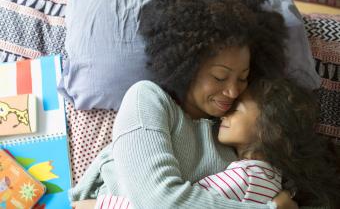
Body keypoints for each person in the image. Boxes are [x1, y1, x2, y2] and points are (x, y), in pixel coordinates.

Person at [70, 0, 299, 208]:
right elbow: (157, 200)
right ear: (188, 67)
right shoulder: (147, 100)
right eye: (220, 77)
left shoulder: (235, 134)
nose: (233, 91)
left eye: (243, 78)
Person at [91, 78, 340, 209]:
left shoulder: (247, 177)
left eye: (237, 109)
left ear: (271, 129)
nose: (225, 111)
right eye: (220, 77)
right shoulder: (271, 179)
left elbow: (180, 203)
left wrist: (99, 205)